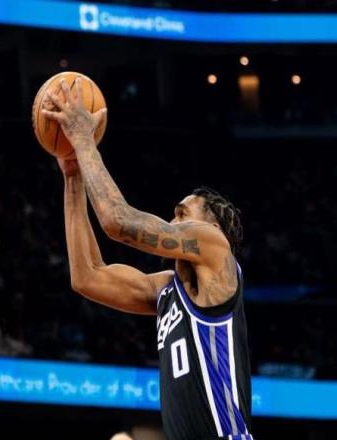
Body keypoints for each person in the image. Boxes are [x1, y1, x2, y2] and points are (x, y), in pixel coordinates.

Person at [43, 78, 253, 440]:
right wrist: (73, 175)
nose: (173, 222)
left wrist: (83, 139)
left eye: (182, 213)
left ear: (212, 226)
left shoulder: (215, 246)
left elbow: (117, 221)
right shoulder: (168, 291)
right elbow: (87, 276)